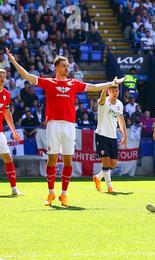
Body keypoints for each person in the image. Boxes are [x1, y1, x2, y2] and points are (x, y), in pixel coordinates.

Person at [6, 48, 125, 207]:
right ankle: (50, 193)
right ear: (56, 67)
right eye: (64, 66)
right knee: (52, 160)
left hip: (69, 126)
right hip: (53, 125)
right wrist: (13, 61)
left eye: (68, 66)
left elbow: (93, 87)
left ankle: (64, 194)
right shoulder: (49, 82)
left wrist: (112, 83)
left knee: (68, 161)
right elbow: (27, 76)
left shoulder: (74, 83)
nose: (67, 68)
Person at [92, 85, 127, 193]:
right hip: (101, 135)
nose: (115, 92)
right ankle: (110, 187)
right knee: (106, 163)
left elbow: (121, 120)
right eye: (112, 90)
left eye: (116, 90)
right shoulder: (104, 102)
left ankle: (98, 177)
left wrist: (125, 135)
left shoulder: (120, 104)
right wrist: (105, 86)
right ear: (108, 91)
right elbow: (101, 98)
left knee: (113, 163)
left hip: (113, 136)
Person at [0, 68, 23, 195]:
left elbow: (7, 114)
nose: (2, 78)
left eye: (4, 76)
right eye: (0, 76)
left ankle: (14, 189)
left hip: (0, 133)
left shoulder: (6, 94)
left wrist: (13, 132)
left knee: (8, 158)